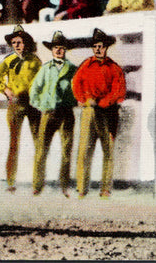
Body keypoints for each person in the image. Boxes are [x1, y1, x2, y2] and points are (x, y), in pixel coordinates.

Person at [73, 29, 126, 198]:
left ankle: (105, 190)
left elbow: (119, 90)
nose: (98, 49)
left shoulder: (114, 68)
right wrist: (85, 99)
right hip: (89, 112)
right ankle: (82, 189)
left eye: (101, 46)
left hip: (108, 114)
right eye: (95, 46)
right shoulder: (86, 65)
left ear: (106, 48)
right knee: (84, 152)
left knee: (108, 152)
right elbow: (76, 84)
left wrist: (104, 103)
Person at [0, 24, 42, 192]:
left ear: (26, 42)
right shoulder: (8, 61)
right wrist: (5, 89)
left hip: (33, 104)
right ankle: (10, 182)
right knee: (13, 143)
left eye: (20, 41)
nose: (18, 45)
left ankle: (37, 183)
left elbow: (41, 80)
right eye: (14, 42)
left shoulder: (35, 61)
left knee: (38, 142)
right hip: (16, 104)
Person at [30, 31, 78, 197]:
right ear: (52, 50)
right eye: (56, 47)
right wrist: (41, 106)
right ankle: (37, 185)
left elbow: (79, 88)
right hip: (49, 113)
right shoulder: (46, 68)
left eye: (61, 48)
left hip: (66, 113)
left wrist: (75, 99)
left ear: (65, 50)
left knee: (66, 150)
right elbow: (34, 90)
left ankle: (64, 186)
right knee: (41, 150)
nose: (58, 50)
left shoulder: (72, 68)